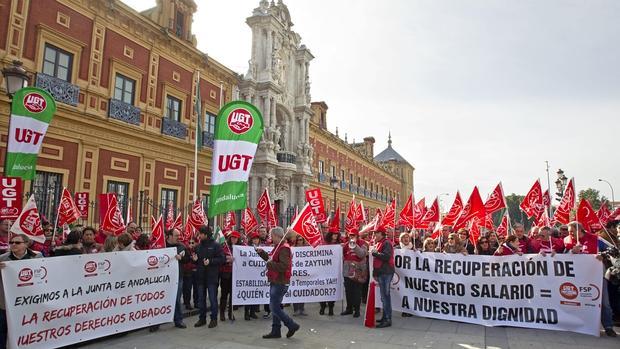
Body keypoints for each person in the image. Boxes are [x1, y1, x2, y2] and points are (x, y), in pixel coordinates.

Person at [256, 227, 300, 339]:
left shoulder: (284, 248)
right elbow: (271, 260)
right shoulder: (278, 247)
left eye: (272, 236)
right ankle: (276, 330)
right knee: (275, 305)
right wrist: (262, 254)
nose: (271, 237)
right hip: (276, 280)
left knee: (274, 307)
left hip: (280, 281)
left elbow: (284, 266)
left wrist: (269, 265)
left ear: (276, 236)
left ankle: (291, 325)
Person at [0, 234, 43, 348]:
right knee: (3, 329)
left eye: (17, 242)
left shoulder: (37, 257)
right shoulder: (2, 258)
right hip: (6, 303)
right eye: (12, 242)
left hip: (29, 301)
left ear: (26, 244)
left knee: (27, 327)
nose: (13, 244)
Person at [193, 225, 225, 329]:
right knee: (201, 300)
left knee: (212, 299)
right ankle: (202, 319)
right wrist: (194, 259)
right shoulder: (198, 246)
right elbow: (197, 261)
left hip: (212, 277)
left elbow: (222, 259)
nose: (199, 235)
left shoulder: (216, 245)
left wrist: (210, 261)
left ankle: (214, 319)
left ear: (205, 235)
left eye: (200, 234)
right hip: (201, 277)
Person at [371, 225, 395, 328]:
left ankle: (388, 319)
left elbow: (386, 256)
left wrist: (375, 253)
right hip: (381, 272)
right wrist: (375, 273)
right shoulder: (380, 243)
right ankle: (385, 317)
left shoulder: (386, 243)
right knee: (384, 296)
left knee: (385, 296)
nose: (375, 235)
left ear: (381, 234)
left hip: (386, 272)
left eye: (376, 233)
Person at [341, 228, 368, 318]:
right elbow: (343, 254)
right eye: (350, 235)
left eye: (353, 235)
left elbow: (362, 254)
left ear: (357, 236)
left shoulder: (363, 243)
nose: (351, 237)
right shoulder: (346, 245)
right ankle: (349, 308)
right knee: (348, 290)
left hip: (358, 271)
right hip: (348, 270)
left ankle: (357, 310)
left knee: (357, 291)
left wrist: (355, 246)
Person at [166, 228, 189, 329]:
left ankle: (178, 320)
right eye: (176, 235)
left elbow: (187, 259)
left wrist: (182, 258)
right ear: (169, 236)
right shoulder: (162, 245)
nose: (178, 237)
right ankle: (156, 323)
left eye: (179, 235)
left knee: (176, 299)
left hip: (177, 277)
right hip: (164, 278)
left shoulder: (182, 247)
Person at [220, 231, 241, 322]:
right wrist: (228, 259)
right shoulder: (225, 248)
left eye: (235, 238)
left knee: (233, 295)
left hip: (235, 274)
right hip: (225, 274)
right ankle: (221, 313)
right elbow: (221, 259)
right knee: (224, 294)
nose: (234, 239)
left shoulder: (240, 248)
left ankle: (230, 312)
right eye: (232, 237)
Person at [319, 230, 340, 316]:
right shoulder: (324, 243)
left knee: (332, 289)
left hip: (334, 270)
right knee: (322, 289)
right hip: (324, 269)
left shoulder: (339, 244)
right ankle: (322, 306)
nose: (335, 236)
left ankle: (331, 307)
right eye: (333, 234)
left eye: (336, 234)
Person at [244, 231, 261, 321]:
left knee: (255, 294)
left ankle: (252, 312)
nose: (256, 240)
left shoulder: (261, 248)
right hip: (249, 274)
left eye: (257, 239)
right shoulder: (248, 248)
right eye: (254, 239)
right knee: (249, 294)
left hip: (257, 274)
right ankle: (246, 313)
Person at [292, 234, 308, 317]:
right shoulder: (292, 249)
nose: (300, 241)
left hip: (303, 273)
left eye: (301, 240)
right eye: (298, 240)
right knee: (295, 291)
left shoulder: (306, 249)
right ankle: (296, 309)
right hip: (295, 273)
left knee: (303, 291)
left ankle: (302, 308)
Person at [182, 238, 199, 311]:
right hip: (188, 271)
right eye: (189, 242)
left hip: (196, 271)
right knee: (187, 289)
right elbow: (184, 260)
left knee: (196, 288)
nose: (191, 244)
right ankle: (187, 303)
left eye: (193, 243)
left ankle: (196, 303)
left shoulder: (198, 250)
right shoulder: (185, 250)